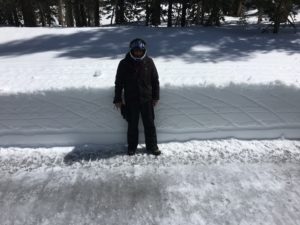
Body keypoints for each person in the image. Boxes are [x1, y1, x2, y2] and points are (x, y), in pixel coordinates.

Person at [113, 38, 161, 156]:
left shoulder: (149, 62)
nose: (138, 53)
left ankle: (152, 146)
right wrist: (118, 98)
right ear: (132, 50)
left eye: (140, 50)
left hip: (147, 100)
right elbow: (119, 83)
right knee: (132, 125)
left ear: (144, 50)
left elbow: (155, 81)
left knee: (149, 124)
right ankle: (132, 147)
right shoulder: (124, 63)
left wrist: (155, 97)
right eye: (136, 50)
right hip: (131, 100)